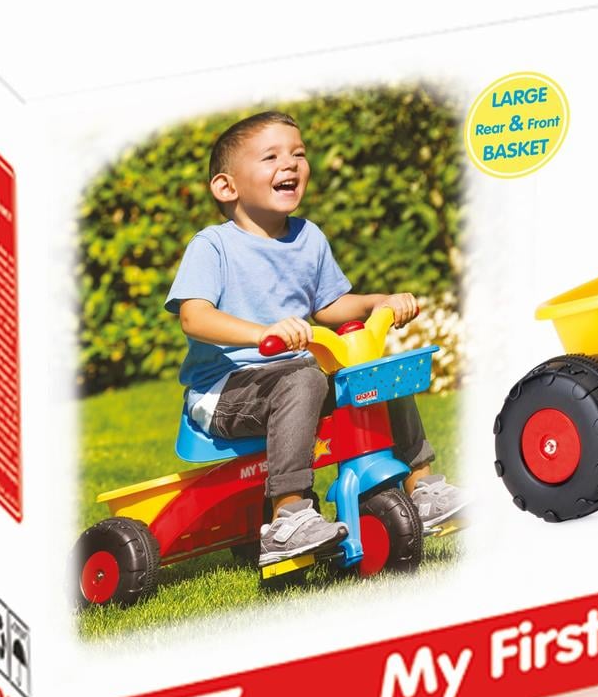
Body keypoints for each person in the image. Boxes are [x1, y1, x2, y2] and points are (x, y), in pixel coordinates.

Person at [166, 110, 466, 564]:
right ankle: (287, 517)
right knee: (304, 377)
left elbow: (329, 306)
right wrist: (262, 333)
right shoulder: (213, 246)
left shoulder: (308, 237)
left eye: (298, 154)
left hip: (293, 377)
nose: (290, 163)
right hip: (224, 391)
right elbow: (195, 317)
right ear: (227, 187)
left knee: (374, 374)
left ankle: (422, 486)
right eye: (271, 156)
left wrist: (378, 302)